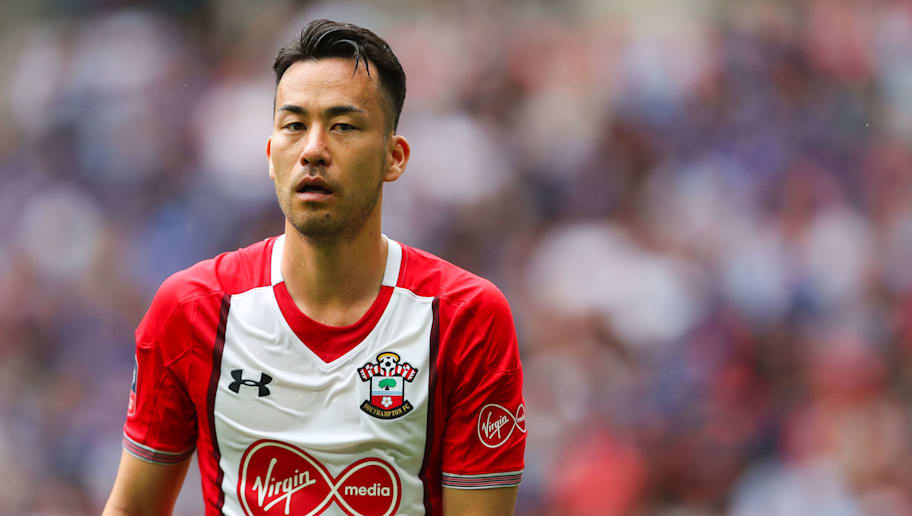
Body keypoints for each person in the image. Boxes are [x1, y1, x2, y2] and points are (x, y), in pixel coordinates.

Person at [103, 19, 526, 516]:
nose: (313, 151)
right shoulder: (192, 309)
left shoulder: (464, 317)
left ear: (394, 157)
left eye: (343, 126)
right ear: (270, 155)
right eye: (294, 126)